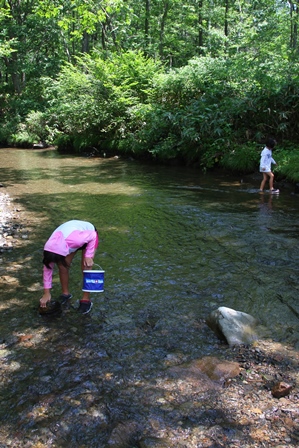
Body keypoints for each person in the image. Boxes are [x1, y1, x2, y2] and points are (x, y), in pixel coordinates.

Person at [40, 220, 99, 314]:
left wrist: (88, 256)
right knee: (63, 267)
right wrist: (46, 292)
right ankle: (66, 293)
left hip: (87, 235)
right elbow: (47, 269)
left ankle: (86, 299)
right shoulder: (49, 249)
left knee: (86, 267)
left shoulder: (75, 240)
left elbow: (93, 235)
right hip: (67, 242)